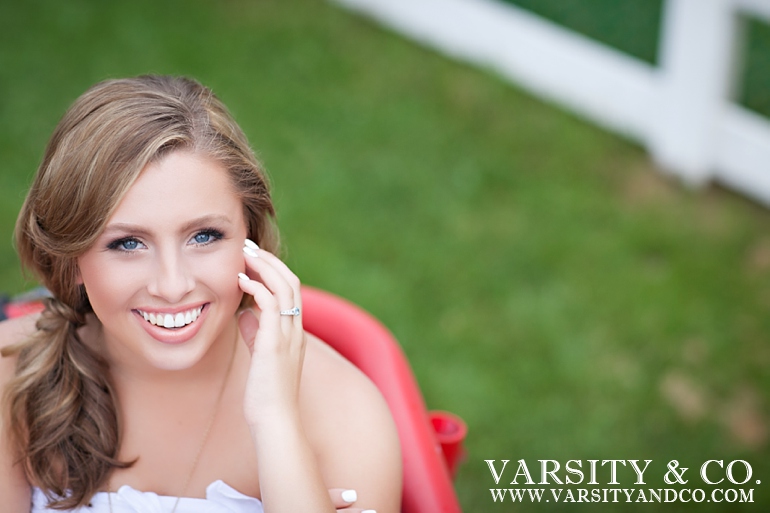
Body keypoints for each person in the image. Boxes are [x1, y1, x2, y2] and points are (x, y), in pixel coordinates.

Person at [0, 75, 402, 512]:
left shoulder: (342, 414)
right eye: (127, 244)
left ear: (250, 234)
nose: (172, 286)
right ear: (70, 257)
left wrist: (276, 422)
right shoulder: (11, 379)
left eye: (205, 236)